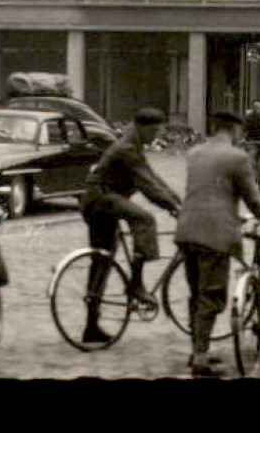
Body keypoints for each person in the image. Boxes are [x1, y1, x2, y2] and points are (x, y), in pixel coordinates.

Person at [175, 110, 260, 378]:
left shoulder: (194, 154)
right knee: (212, 297)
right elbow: (252, 196)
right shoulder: (238, 157)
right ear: (234, 130)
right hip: (214, 235)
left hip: (187, 230)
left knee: (196, 293)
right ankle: (201, 362)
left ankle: (196, 350)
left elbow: (208, 193)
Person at [78, 108, 182, 344]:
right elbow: (147, 185)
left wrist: (178, 201)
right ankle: (136, 284)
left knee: (102, 261)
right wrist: (171, 207)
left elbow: (154, 178)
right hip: (102, 201)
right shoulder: (126, 149)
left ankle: (91, 327)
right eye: (154, 130)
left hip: (101, 203)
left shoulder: (131, 146)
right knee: (145, 219)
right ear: (141, 127)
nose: (156, 135)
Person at [242, 102, 260, 189]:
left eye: (258, 108)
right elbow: (244, 129)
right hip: (251, 141)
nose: (256, 110)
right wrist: (243, 138)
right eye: (254, 108)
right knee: (248, 159)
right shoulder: (248, 117)